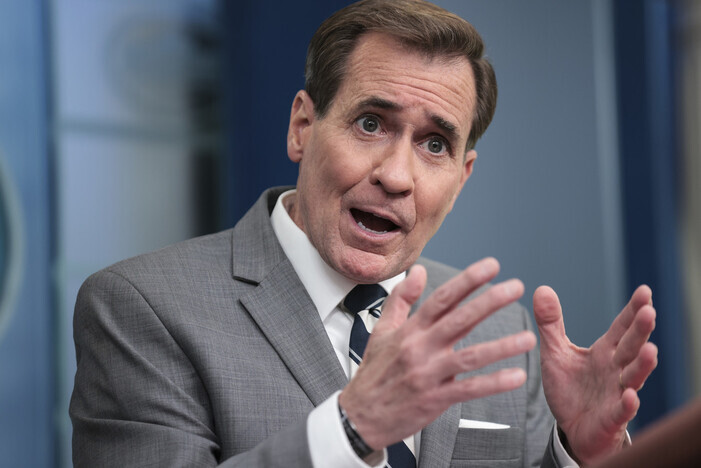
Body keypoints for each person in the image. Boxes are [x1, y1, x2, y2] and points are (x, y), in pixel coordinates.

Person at [70, 1, 658, 467]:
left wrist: (577, 453)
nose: (397, 175)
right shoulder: (141, 307)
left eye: (435, 144)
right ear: (303, 127)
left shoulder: (495, 327)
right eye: (371, 124)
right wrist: (354, 428)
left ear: (461, 178)